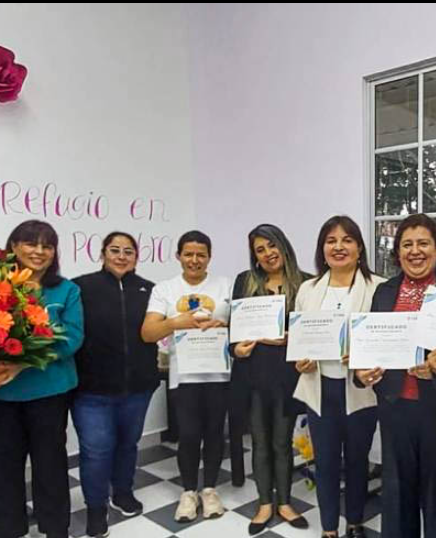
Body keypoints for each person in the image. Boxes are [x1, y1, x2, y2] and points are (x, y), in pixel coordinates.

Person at [354, 214, 436, 538]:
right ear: (398, 252)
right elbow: (371, 346)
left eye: (423, 243)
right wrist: (362, 373)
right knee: (396, 493)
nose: (415, 251)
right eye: (407, 244)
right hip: (395, 408)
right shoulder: (384, 291)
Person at [0, 220, 84, 538]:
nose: (39, 251)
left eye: (47, 246)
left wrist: (21, 364)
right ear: (14, 247)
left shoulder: (66, 290)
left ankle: (55, 529)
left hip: (49, 394)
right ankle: (9, 530)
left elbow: (72, 338)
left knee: (50, 466)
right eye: (31, 244)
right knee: (4, 468)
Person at [292, 216, 381, 538]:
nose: (339, 246)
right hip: (320, 388)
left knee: (358, 461)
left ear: (359, 247)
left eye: (347, 240)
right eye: (331, 240)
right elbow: (300, 339)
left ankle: (354, 522)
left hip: (361, 390)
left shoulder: (378, 287)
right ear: (322, 249)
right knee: (326, 463)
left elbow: (383, 341)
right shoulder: (308, 289)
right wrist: (301, 362)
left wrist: (363, 355)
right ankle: (329, 528)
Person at [141, 231, 232, 523]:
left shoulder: (225, 285)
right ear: (178, 255)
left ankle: (210, 489)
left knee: (216, 433)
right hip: (184, 376)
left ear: (209, 257)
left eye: (201, 254)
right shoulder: (164, 289)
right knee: (189, 435)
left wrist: (225, 324)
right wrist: (175, 322)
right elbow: (148, 332)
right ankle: (188, 492)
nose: (195, 260)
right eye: (189, 254)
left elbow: (240, 324)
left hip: (219, 373)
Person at [72, 232, 159, 536]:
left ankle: (122, 492)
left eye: (128, 251)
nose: (121, 256)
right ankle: (96, 508)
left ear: (137, 256)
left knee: (128, 444)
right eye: (115, 250)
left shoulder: (149, 289)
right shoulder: (81, 286)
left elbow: (159, 329)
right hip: (91, 390)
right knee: (96, 450)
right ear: (103, 253)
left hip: (138, 386)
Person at [229, 224, 312, 535]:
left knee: (281, 440)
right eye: (259, 249)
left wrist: (296, 338)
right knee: (261, 442)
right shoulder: (245, 282)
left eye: (271, 245)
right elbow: (232, 332)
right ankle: (265, 503)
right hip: (251, 375)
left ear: (283, 245)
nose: (267, 253)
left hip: (287, 377)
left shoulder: (304, 283)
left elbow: (312, 330)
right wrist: (236, 347)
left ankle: (285, 502)